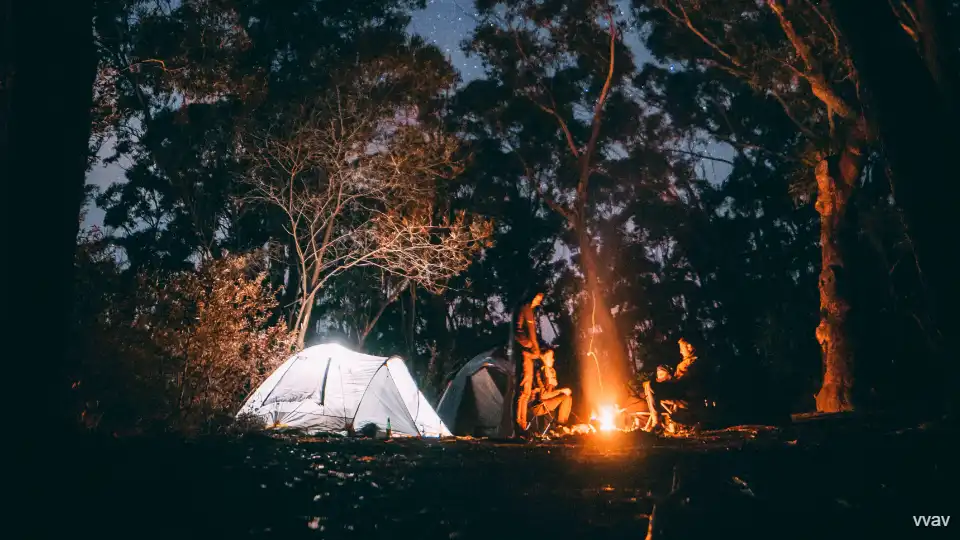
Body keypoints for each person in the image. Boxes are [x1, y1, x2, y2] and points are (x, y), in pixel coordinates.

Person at [643, 338, 699, 431]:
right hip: (680, 392)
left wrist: (668, 381)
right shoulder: (686, 363)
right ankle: (658, 421)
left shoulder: (694, 362)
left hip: (685, 395)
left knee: (650, 386)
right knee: (649, 386)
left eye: (682, 348)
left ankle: (657, 422)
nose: (680, 352)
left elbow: (685, 381)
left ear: (689, 347)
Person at [514, 290, 545, 433]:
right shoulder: (523, 309)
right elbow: (517, 330)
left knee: (527, 392)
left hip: (531, 354)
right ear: (532, 296)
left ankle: (523, 425)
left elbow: (533, 334)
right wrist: (529, 345)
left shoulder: (531, 312)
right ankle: (519, 425)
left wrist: (537, 350)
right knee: (524, 392)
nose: (539, 301)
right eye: (538, 297)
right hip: (525, 354)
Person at [531, 349, 573, 425]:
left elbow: (552, 392)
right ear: (544, 358)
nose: (553, 359)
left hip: (548, 403)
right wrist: (561, 391)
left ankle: (561, 425)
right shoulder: (539, 373)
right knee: (565, 397)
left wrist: (558, 389)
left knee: (567, 397)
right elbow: (543, 396)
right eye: (551, 357)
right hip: (538, 405)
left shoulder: (551, 371)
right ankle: (560, 426)